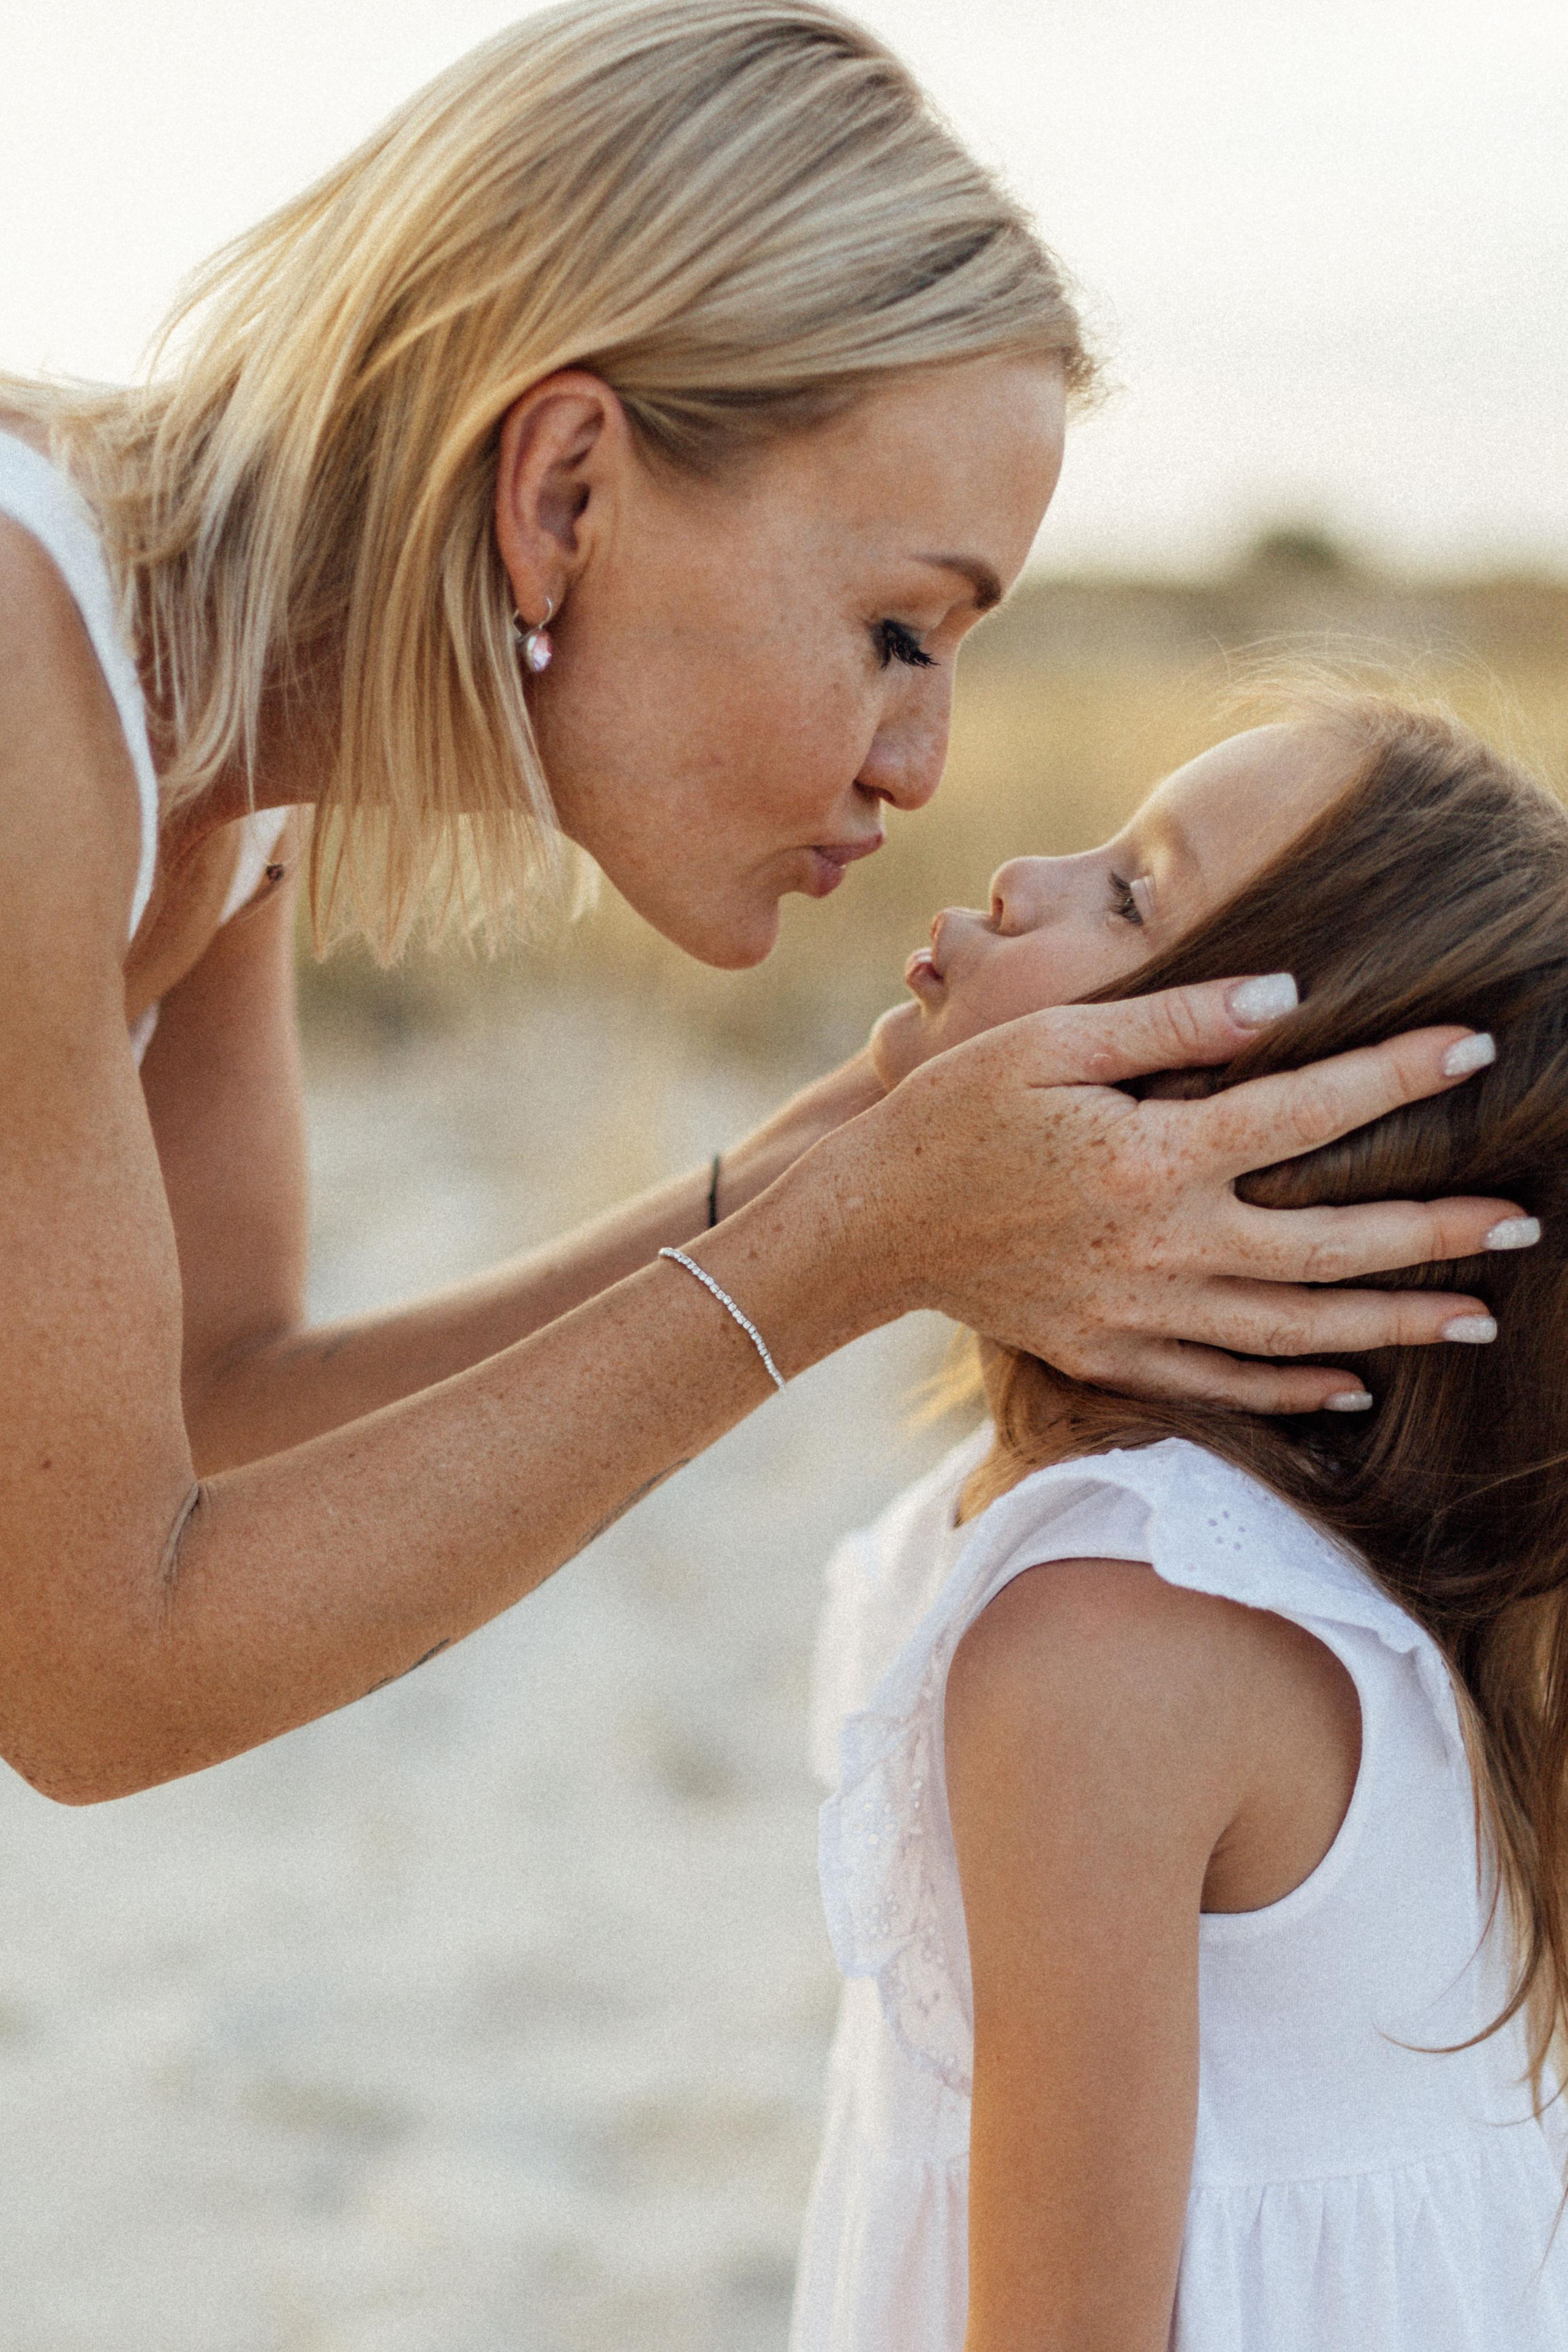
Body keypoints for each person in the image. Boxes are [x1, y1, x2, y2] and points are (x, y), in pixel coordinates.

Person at [0, 0, 1521, 1809]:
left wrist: (825, 1154)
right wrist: (838, 1253)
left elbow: (216, 1422)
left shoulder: (212, 775)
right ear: (563, 491)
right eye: (898, 631)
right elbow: (96, 1684)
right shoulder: (30, 693)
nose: (921, 764)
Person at [792, 693, 1568, 2352]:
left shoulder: (1114, 1641)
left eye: (1132, 896)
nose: (1018, 875)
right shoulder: (1289, 1568)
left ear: (1288, 1145)